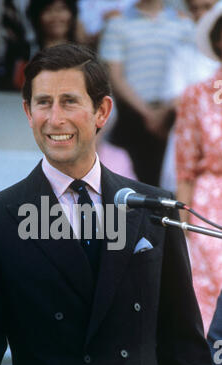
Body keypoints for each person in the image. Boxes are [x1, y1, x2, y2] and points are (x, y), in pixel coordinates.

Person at [0, 43, 212, 365]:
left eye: (69, 102)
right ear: (27, 113)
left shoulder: (155, 209)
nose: (55, 119)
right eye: (43, 103)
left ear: (101, 111)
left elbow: (184, 345)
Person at [98, 0, 194, 186]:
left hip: (175, 116)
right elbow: (115, 77)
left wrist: (164, 112)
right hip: (132, 118)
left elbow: (191, 72)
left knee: (174, 187)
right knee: (132, 187)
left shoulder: (183, 23)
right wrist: (148, 114)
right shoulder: (117, 23)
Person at [175, 1, 222, 336]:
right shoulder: (197, 95)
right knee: (205, 303)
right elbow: (185, 168)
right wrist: (182, 231)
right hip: (209, 207)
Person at [160, 0, 219, 193]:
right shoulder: (182, 53)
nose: (201, 13)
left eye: (207, 7)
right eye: (195, 8)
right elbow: (177, 100)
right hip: (191, 142)